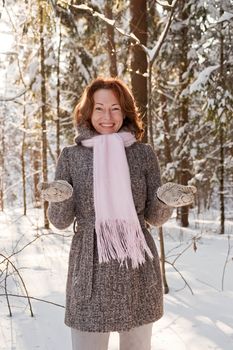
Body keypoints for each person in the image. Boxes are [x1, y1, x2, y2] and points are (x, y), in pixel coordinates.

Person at [40, 77, 196, 350]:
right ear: (88, 111)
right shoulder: (71, 156)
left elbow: (153, 217)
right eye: (99, 108)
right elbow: (61, 221)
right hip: (90, 266)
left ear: (125, 111)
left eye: (114, 108)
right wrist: (60, 199)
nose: (107, 116)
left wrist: (164, 200)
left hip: (135, 267)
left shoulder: (143, 154)